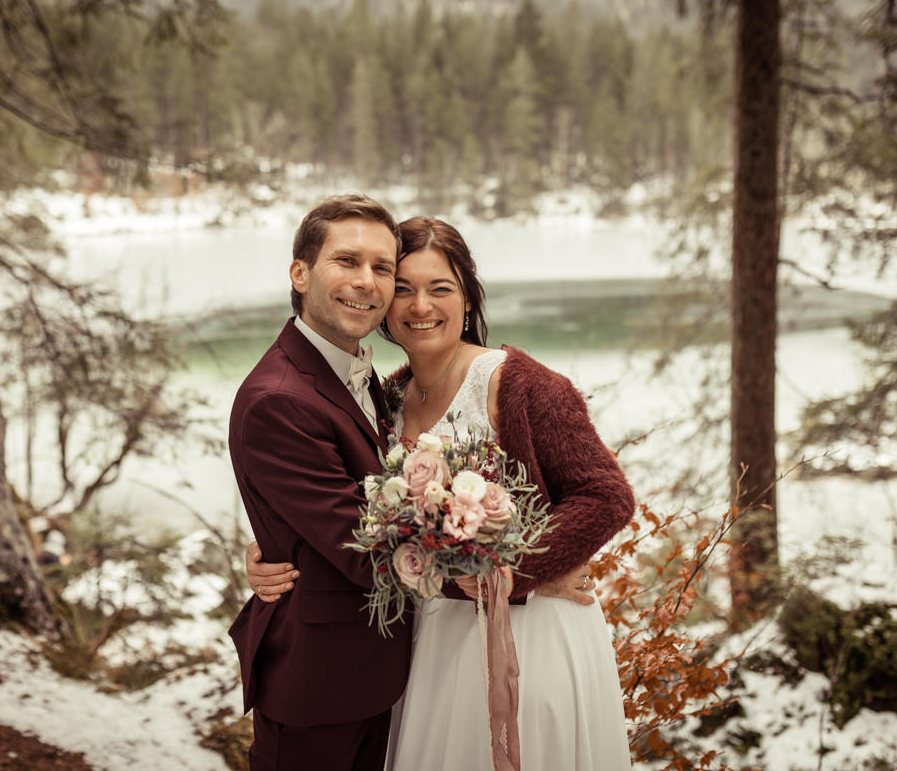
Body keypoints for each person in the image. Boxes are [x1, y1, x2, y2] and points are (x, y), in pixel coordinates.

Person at [247, 216, 636, 769]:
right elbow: (344, 508)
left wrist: (519, 569)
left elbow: (606, 496)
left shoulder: (522, 383)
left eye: (440, 289)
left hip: (527, 634)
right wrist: (275, 552)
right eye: (402, 289)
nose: (419, 306)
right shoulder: (389, 395)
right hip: (426, 641)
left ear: (469, 297)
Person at [227, 193, 412, 771]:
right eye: (347, 261)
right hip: (318, 683)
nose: (367, 281)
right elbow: (365, 550)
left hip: (368, 669)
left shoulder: (353, 369)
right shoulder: (279, 401)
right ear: (300, 272)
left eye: (383, 268)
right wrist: (499, 550)